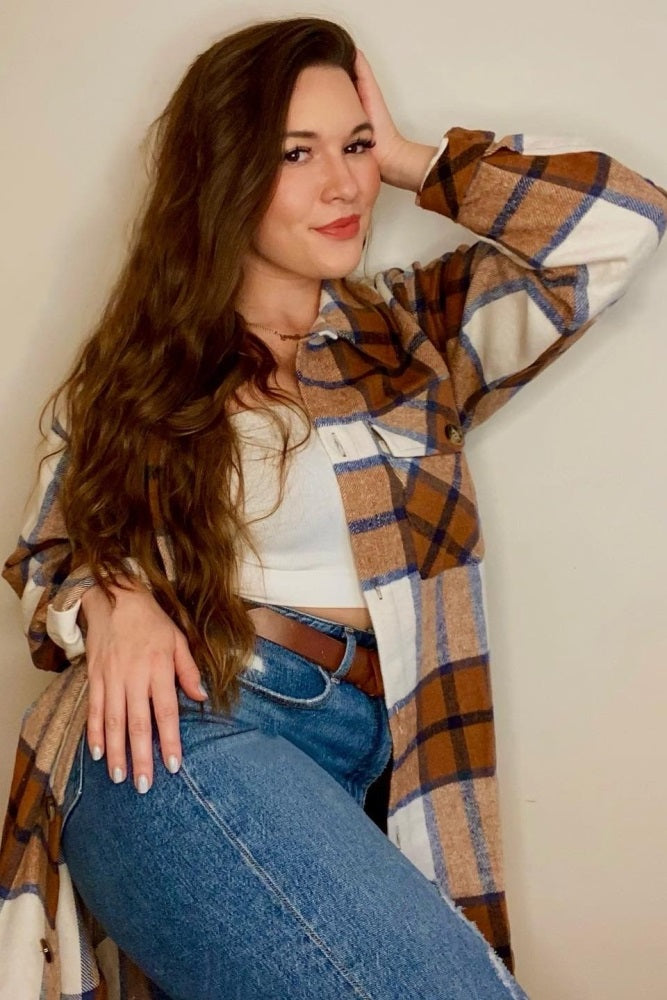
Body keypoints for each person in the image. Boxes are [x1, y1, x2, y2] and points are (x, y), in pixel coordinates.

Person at [1, 14, 665, 1000]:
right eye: (295, 153)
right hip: (182, 732)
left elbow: (623, 222)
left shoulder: (414, 337)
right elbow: (47, 551)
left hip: (373, 752)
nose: (343, 185)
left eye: (351, 146)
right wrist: (114, 600)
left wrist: (408, 158)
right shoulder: (139, 369)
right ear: (225, 174)